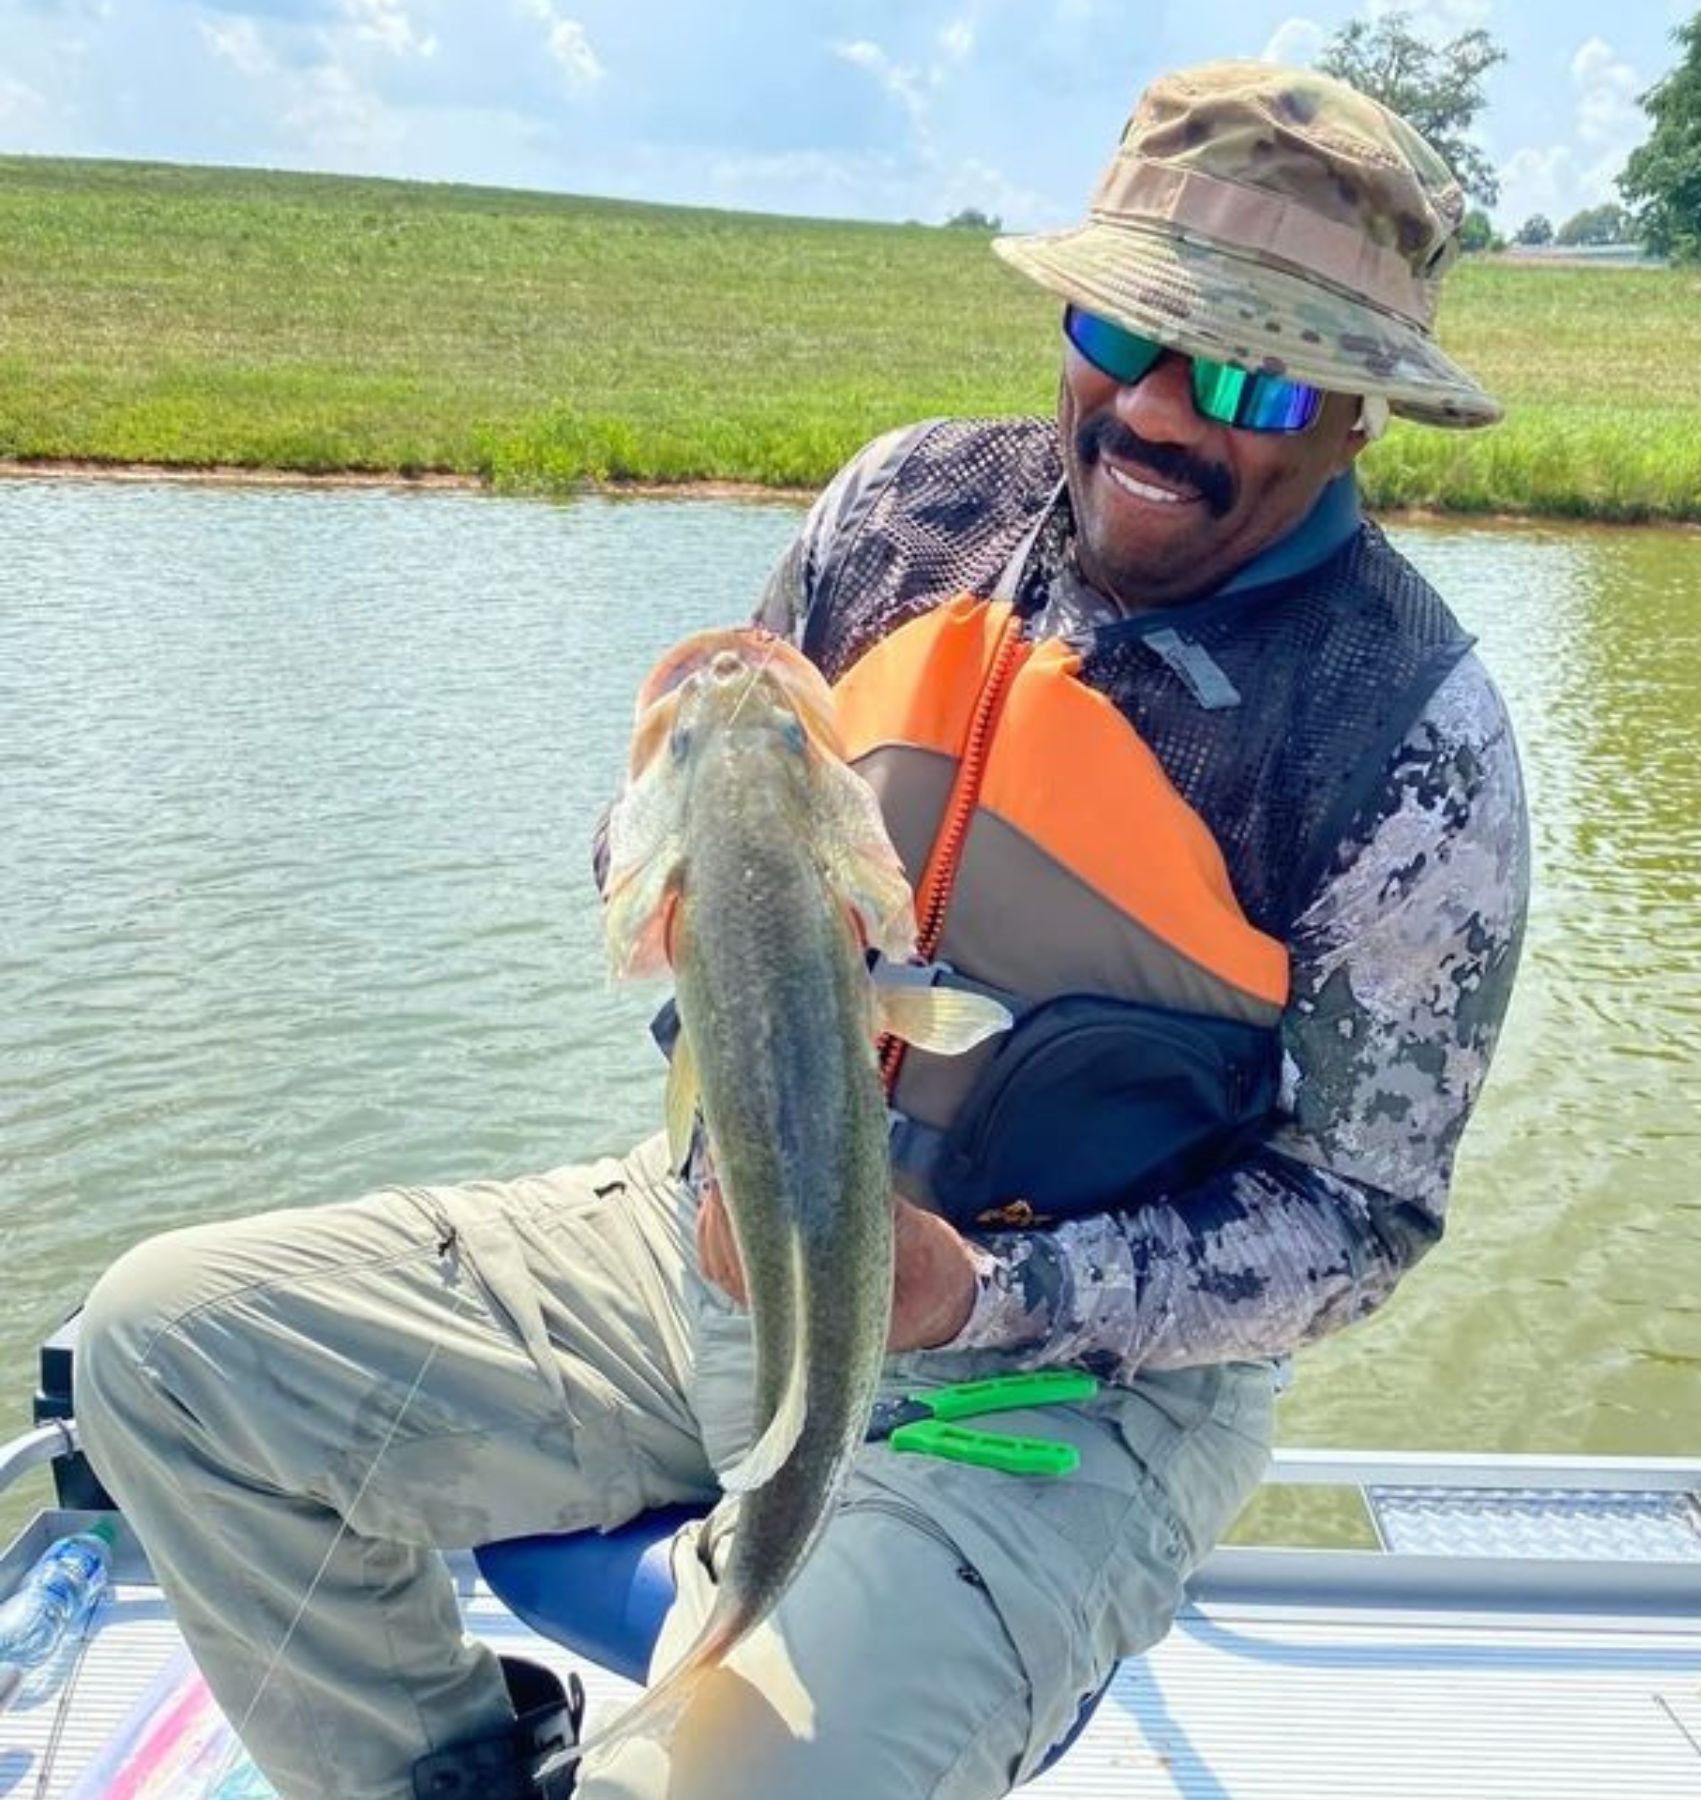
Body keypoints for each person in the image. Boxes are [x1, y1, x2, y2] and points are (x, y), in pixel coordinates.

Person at [75, 58, 1529, 1800]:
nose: (1155, 408)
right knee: (162, 1350)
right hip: (709, 1244)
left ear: (1357, 409)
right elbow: (662, 859)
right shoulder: (901, 509)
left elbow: (1360, 1223)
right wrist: (658, 884)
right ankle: (447, 1772)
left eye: (1245, 376)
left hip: (1064, 1399)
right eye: (1119, 331)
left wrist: (982, 1292)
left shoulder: (1416, 744)